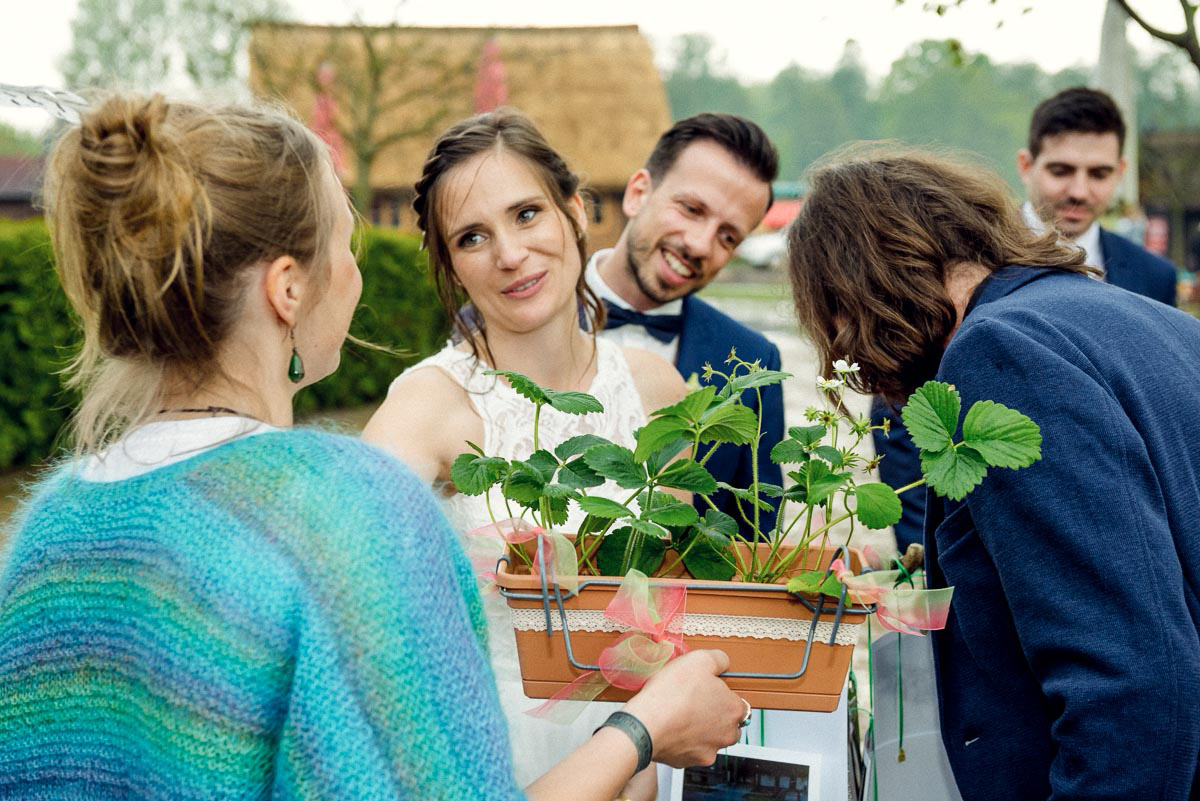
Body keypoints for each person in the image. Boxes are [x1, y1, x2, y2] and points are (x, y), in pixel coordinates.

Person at [0, 94, 749, 801]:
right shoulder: (355, 509)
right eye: (345, 242)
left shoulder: (49, 524)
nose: (356, 272)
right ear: (288, 289)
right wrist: (643, 729)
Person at [787, 145, 1200, 801]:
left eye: (835, 317)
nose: (848, 349)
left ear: (861, 285)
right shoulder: (1124, 316)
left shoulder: (1001, 351)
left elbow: (1130, 679)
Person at [361, 109, 693, 794]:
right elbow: (347, 604)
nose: (510, 254)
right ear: (450, 263)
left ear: (574, 211)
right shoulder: (429, 405)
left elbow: (677, 598)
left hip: (640, 755)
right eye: (472, 236)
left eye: (526, 213)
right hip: (492, 763)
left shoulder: (657, 388)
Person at [872, 85, 1180, 550]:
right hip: (982, 528)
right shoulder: (966, 260)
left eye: (1098, 173)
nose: (1079, 190)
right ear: (1026, 165)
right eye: (1061, 170)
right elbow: (901, 417)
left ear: (1120, 173)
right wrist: (929, 548)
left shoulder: (1153, 275)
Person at [586, 113, 785, 538]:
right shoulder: (517, 317)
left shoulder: (753, 362)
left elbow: (755, 544)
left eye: (728, 237)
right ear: (639, 193)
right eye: (692, 209)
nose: (699, 245)